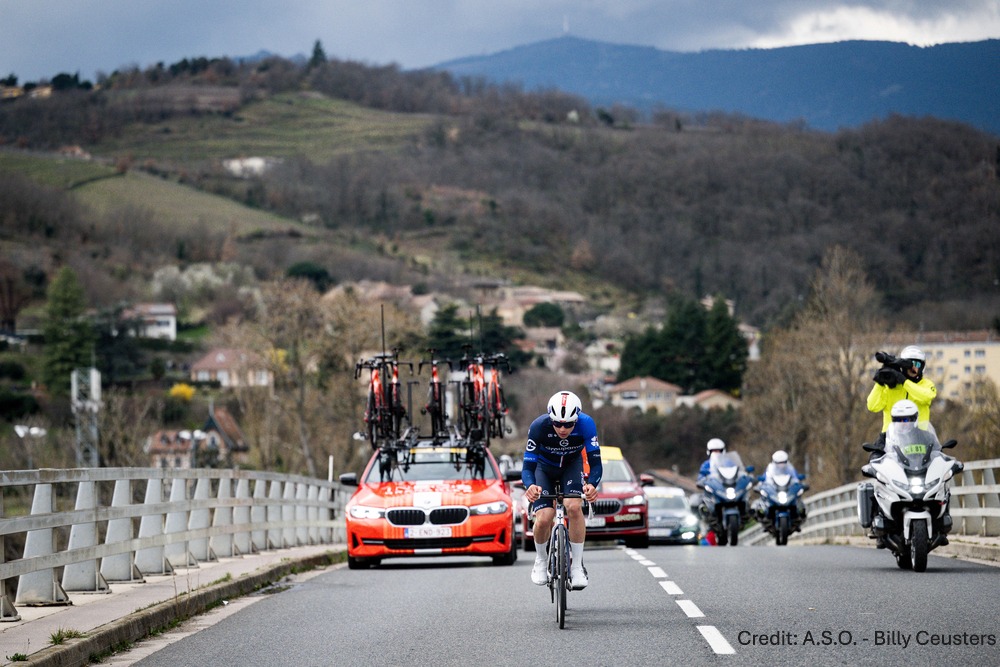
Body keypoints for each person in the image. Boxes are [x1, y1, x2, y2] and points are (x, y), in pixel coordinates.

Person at [522, 391, 602, 590]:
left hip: (571, 466)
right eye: (557, 423)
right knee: (544, 517)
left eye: (568, 424)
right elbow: (527, 467)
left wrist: (592, 484)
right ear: (551, 418)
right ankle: (540, 560)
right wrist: (530, 485)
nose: (563, 428)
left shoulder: (587, 424)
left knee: (573, 507)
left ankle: (576, 566)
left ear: (577, 418)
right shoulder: (538, 426)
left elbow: (596, 463)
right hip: (543, 468)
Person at [865, 399, 951, 546]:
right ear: (893, 420)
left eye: (906, 419)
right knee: (876, 486)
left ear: (914, 419)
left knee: (945, 486)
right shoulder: (885, 438)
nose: (903, 423)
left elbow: (937, 452)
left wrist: (947, 462)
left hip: (921, 475)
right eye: (898, 420)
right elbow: (875, 455)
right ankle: (879, 525)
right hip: (900, 479)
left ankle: (941, 525)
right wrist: (874, 465)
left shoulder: (925, 436)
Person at [867, 345, 937, 445]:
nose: (913, 368)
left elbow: (925, 396)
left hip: (920, 440)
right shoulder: (892, 386)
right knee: (874, 458)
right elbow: (872, 406)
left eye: (916, 364)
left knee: (938, 457)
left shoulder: (926, 385)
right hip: (891, 441)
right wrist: (880, 383)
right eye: (909, 364)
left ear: (922, 367)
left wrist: (904, 381)